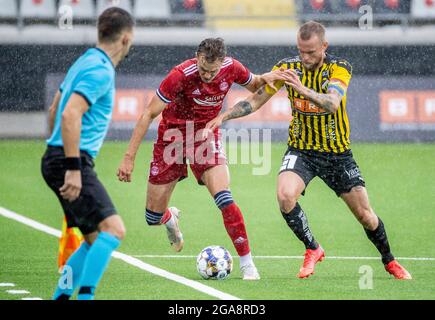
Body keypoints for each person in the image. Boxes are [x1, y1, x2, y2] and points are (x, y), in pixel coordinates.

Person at [204, 21, 412, 280]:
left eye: (311, 52)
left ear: (324, 47)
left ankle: (389, 261)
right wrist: (223, 117)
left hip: (337, 154)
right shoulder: (286, 67)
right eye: (301, 51)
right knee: (285, 196)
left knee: (365, 216)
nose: (305, 57)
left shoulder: (339, 68)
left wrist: (301, 88)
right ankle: (313, 248)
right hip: (301, 150)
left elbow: (332, 104)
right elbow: (256, 100)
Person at [117, 38, 290, 280]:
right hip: (172, 137)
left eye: (213, 71)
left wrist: (267, 78)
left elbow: (255, 87)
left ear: (222, 63)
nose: (208, 76)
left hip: (205, 136)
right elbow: (148, 113)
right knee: (152, 217)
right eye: (204, 70)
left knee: (224, 197)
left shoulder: (232, 68)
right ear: (197, 57)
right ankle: (169, 217)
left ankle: (248, 264)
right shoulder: (180, 75)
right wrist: (128, 158)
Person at [41, 7, 135, 300]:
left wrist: (56, 148)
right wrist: (71, 167)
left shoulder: (84, 61)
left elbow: (54, 109)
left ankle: (61, 297)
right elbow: (69, 115)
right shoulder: (101, 69)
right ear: (125, 39)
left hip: (57, 157)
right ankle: (85, 297)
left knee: (94, 239)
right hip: (71, 161)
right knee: (114, 230)